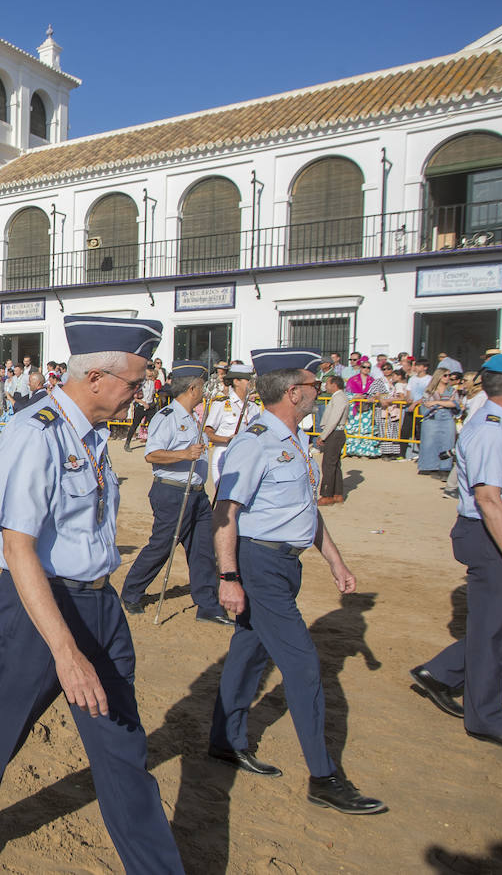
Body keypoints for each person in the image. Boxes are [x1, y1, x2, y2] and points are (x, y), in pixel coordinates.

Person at [0, 315, 184, 875]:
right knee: (5, 728)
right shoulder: (35, 432)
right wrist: (65, 652)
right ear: (96, 378)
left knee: (123, 745)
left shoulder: (92, 434)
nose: (140, 394)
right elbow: (18, 548)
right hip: (41, 606)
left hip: (100, 602)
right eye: (135, 382)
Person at [209, 348, 385, 814]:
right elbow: (225, 511)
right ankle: (324, 777)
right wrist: (228, 576)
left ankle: (225, 739)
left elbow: (304, 511)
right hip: (260, 564)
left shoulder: (295, 439)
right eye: (313, 386)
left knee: (249, 651)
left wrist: (336, 562)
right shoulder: (256, 442)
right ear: (292, 392)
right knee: (304, 666)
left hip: (286, 563)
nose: (319, 392)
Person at [410, 354, 502, 752]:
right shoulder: (490, 430)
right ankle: (486, 720)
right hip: (494, 536)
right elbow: (488, 498)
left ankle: (441, 672)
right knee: (491, 632)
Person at [119, 362, 232, 625]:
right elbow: (152, 455)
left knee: (203, 550)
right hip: (173, 492)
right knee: (162, 546)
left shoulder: (193, 417)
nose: (204, 391)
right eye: (202, 386)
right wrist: (184, 454)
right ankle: (132, 591)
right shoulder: (167, 416)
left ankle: (208, 605)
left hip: (197, 493)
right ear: (192, 388)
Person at [204, 366, 259, 485]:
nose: (252, 383)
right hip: (225, 455)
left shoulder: (254, 407)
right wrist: (227, 439)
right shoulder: (222, 404)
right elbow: (208, 433)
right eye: (248, 380)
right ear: (236, 381)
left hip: (247, 457)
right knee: (224, 494)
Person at [417, 368, 461, 477]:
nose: (448, 378)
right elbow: (426, 404)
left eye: (449, 375)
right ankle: (428, 466)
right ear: (439, 376)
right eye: (445, 375)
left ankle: (444, 467)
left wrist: (436, 402)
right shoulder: (429, 390)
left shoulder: (452, 390)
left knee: (447, 442)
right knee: (429, 443)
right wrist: (445, 403)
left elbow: (454, 403)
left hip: (447, 419)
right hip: (432, 418)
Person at [314, 375, 350, 504]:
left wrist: (323, 435)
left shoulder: (339, 398)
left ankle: (327, 494)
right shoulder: (339, 397)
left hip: (334, 433)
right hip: (336, 432)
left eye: (328, 384)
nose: (326, 386)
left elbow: (334, 419)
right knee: (335, 464)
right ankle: (337, 493)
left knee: (328, 465)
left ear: (334, 385)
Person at [343, 358, 381, 457]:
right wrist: (356, 396)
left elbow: (377, 394)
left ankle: (365, 452)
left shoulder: (372, 380)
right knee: (354, 429)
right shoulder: (352, 379)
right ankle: (351, 450)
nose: (366, 369)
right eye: (364, 367)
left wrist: (373, 397)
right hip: (355, 409)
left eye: (368, 367)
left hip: (367, 409)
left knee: (366, 429)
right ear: (360, 368)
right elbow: (347, 393)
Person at [123, 365, 161, 450]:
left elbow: (152, 395)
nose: (151, 372)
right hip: (140, 407)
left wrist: (153, 402)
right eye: (149, 370)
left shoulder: (152, 383)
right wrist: (143, 403)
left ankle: (153, 443)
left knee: (153, 424)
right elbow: (134, 397)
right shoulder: (140, 383)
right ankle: (127, 443)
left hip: (150, 406)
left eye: (152, 370)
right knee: (135, 424)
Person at [403, 358, 432, 460]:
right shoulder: (412, 379)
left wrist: (415, 403)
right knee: (405, 430)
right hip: (410, 408)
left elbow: (427, 395)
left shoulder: (429, 379)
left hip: (422, 408)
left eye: (419, 366)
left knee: (421, 432)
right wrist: (408, 399)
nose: (416, 368)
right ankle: (402, 454)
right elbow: (408, 392)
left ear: (425, 368)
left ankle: (423, 454)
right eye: (416, 365)